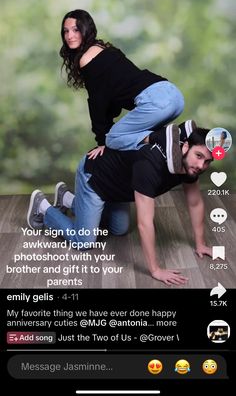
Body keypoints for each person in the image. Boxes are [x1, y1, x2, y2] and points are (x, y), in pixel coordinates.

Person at [27, 121, 213, 286]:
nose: (201, 165)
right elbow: (144, 223)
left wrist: (200, 244)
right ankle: (43, 207)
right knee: (83, 240)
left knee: (120, 229)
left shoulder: (189, 167)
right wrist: (155, 270)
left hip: (119, 190)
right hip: (96, 178)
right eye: (198, 156)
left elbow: (195, 203)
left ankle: (67, 198)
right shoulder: (151, 165)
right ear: (185, 146)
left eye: (207, 161)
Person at [59, 9, 184, 173]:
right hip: (173, 95)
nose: (70, 36)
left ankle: (161, 137)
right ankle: (184, 137)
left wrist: (102, 141)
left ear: (86, 30)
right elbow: (113, 96)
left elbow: (97, 102)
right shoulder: (101, 48)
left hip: (155, 101)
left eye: (76, 30)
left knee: (114, 138)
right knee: (136, 134)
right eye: (66, 31)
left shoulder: (86, 58)